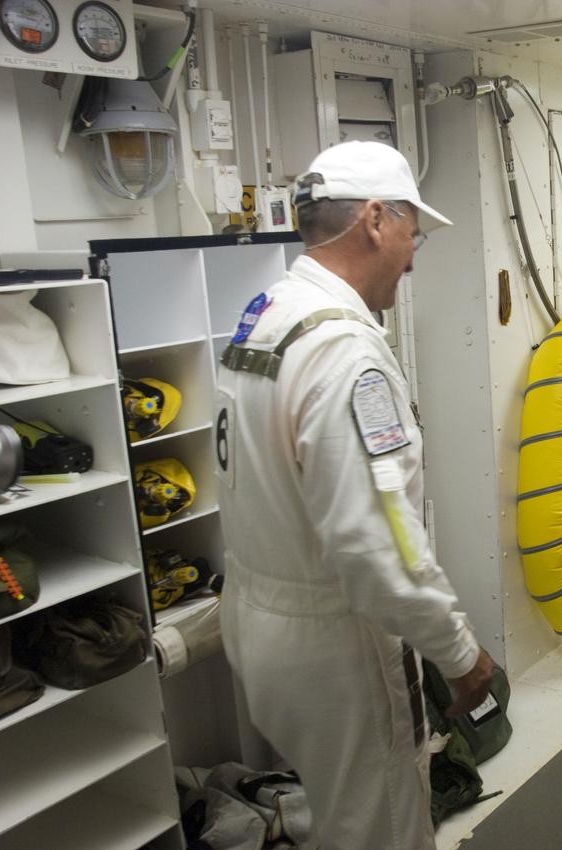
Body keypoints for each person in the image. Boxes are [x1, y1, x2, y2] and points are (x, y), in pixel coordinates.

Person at [213, 140, 495, 850]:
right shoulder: (345, 353)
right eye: (412, 234)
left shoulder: (267, 314)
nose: (413, 258)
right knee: (382, 827)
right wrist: (460, 653)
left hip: (259, 623)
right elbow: (378, 546)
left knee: (336, 814)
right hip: (334, 642)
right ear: (375, 220)